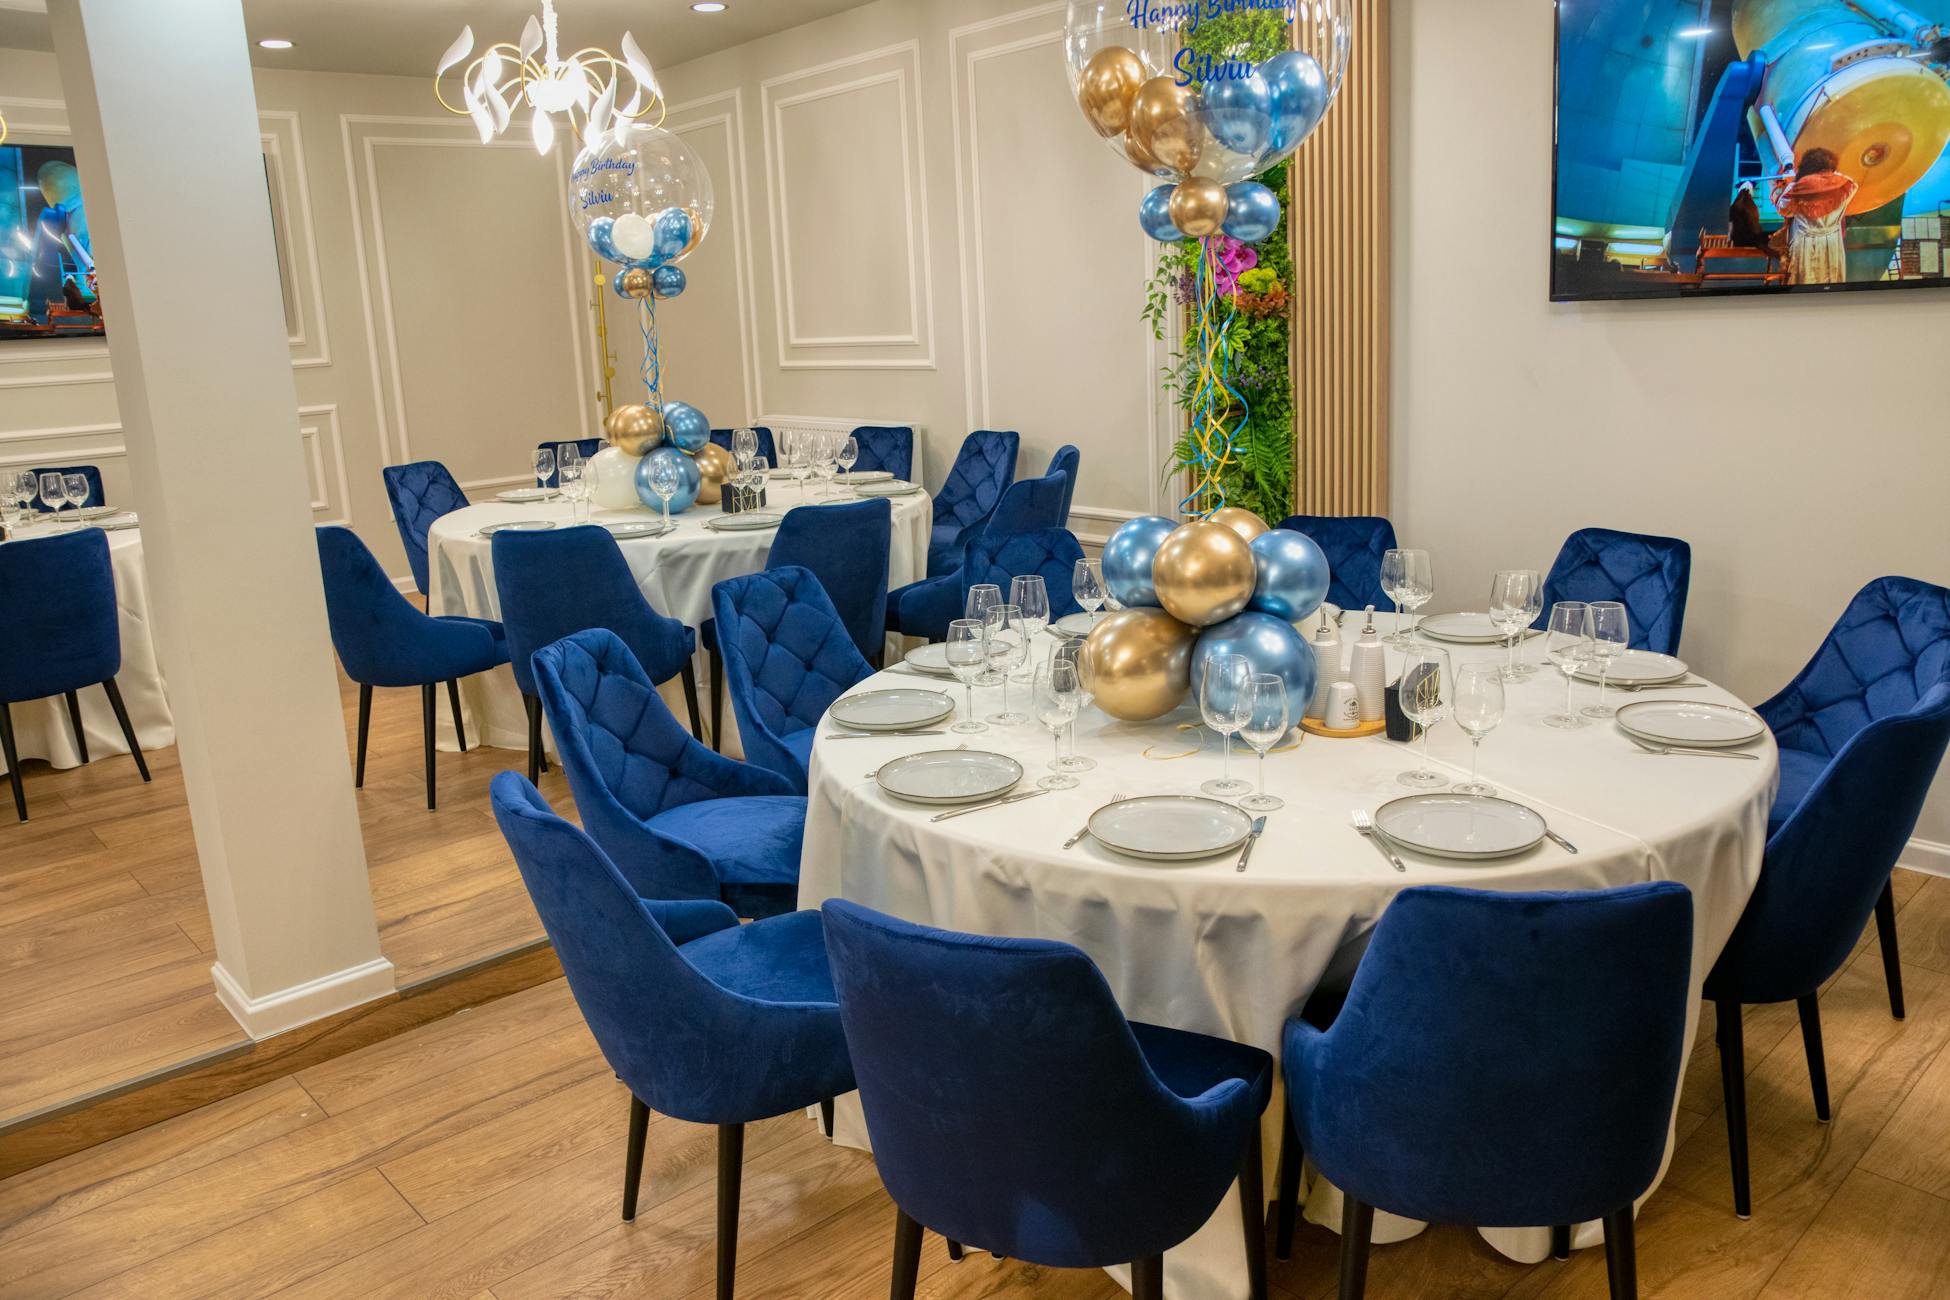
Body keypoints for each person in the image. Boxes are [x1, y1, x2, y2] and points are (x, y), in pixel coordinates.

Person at [1771, 147, 1858, 285]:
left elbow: (1783, 209)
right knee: (1832, 280)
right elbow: (1847, 179)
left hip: (1805, 243)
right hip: (1832, 242)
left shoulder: (1797, 187)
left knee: (1804, 283)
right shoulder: (1846, 185)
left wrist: (1792, 181)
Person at [1728, 183, 1771, 251]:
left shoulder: (1734, 206)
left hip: (1738, 241)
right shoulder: (1751, 207)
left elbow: (1731, 224)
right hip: (1749, 241)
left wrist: (1729, 239)